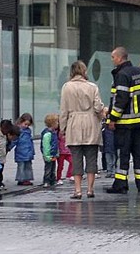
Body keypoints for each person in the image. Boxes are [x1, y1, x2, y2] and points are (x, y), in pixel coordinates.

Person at [106, 47, 140, 194]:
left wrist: (112, 119)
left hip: (125, 125)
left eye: (113, 57)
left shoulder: (122, 75)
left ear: (120, 58)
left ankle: (120, 184)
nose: (112, 59)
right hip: (139, 123)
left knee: (123, 155)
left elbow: (121, 100)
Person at [59, 60, 104, 199]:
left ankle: (77, 190)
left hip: (74, 124)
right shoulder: (93, 87)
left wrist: (63, 127)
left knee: (76, 158)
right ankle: (90, 189)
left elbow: (64, 110)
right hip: (91, 123)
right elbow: (98, 107)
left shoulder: (67, 87)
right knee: (91, 158)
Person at [14, 113, 35, 186]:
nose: (26, 126)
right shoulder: (18, 131)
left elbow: (30, 142)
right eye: (25, 124)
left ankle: (27, 178)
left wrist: (32, 151)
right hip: (21, 151)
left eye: (28, 125)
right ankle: (21, 179)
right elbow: (14, 140)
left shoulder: (28, 131)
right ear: (21, 122)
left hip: (28, 152)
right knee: (21, 166)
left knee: (28, 166)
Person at [41, 113, 60, 188]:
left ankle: (52, 180)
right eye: (57, 122)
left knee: (52, 168)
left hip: (53, 154)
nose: (58, 124)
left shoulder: (53, 133)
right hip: (49, 155)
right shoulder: (48, 134)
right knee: (48, 168)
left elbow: (55, 144)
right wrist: (47, 155)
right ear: (53, 123)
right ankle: (47, 181)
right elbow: (46, 146)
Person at [0, 119, 14, 190]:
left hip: (2, 155)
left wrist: (8, 148)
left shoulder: (6, 135)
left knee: (1, 170)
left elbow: (7, 143)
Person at [101, 111, 116, 178]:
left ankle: (112, 172)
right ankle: (110, 171)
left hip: (113, 146)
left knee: (113, 160)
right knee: (109, 160)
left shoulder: (106, 128)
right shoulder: (104, 127)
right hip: (108, 147)